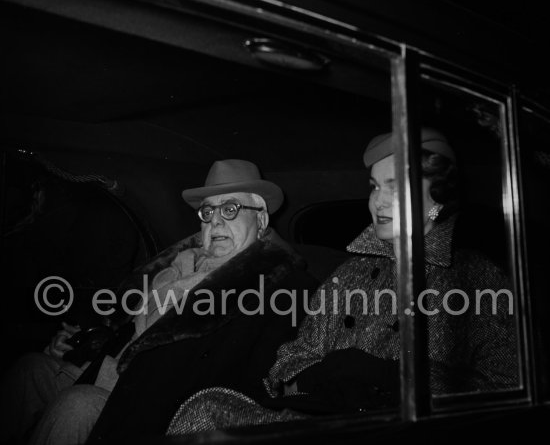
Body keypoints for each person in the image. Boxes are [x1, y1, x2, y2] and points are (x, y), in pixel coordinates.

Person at [166, 128, 518, 434]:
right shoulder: (349, 275)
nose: (378, 200)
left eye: (395, 187)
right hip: (321, 418)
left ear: (437, 198)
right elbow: (290, 359)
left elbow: (508, 392)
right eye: (375, 186)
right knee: (207, 411)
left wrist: (390, 379)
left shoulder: (478, 279)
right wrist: (319, 376)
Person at [0, 160, 317, 444]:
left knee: (76, 407)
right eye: (208, 211)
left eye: (230, 209)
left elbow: (257, 385)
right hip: (108, 370)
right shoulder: (177, 264)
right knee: (29, 370)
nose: (215, 222)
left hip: (158, 402)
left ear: (261, 220)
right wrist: (81, 343)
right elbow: (126, 326)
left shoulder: (275, 285)